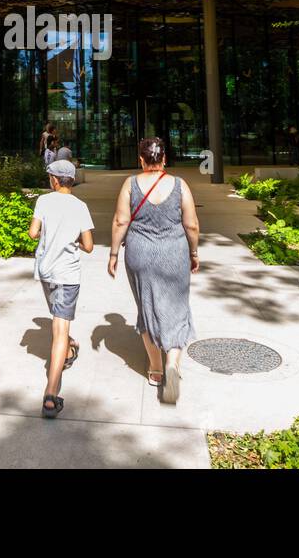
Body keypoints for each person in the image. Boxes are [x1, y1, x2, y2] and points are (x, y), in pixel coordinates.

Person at [108, 137, 200, 404]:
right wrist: (193, 252)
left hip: (140, 254)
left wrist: (114, 253)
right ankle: (173, 363)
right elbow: (191, 225)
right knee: (177, 307)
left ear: (141, 160)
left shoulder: (130, 184)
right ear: (164, 160)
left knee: (146, 306)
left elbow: (120, 220)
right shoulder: (180, 185)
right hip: (174, 253)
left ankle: (156, 370)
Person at [27, 159, 94, 419]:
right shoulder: (80, 206)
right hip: (67, 274)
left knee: (59, 324)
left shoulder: (44, 202)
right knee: (60, 329)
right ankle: (51, 394)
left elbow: (33, 233)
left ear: (55, 180)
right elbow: (88, 246)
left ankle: (68, 348)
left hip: (45, 272)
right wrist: (73, 235)